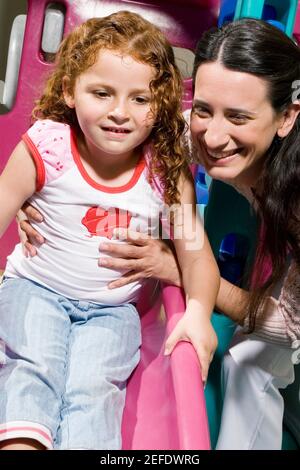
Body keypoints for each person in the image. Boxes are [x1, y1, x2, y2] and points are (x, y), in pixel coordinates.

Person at [18, 18, 300, 450]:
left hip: (283, 312)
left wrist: (183, 281)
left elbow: (286, 327)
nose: (214, 135)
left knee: (251, 361)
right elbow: (90, 141)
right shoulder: (178, 136)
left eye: (239, 117)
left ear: (286, 118)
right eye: (204, 109)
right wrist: (33, 188)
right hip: (43, 292)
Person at [0, 11, 220, 450]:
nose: (120, 113)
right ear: (70, 91)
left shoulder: (164, 171)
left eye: (140, 99)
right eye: (102, 93)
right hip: (36, 288)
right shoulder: (48, 147)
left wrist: (198, 313)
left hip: (113, 310)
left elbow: (195, 254)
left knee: (95, 384)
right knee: (34, 364)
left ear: (162, 106)